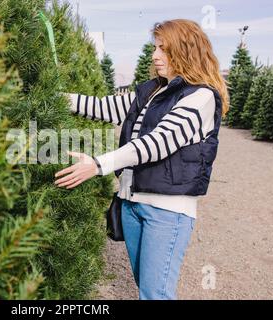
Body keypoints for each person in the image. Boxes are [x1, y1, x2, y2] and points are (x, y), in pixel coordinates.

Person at [54, 19, 229, 300]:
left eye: (164, 49)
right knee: (146, 290)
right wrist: (55, 97)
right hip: (132, 206)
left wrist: (97, 164)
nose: (155, 55)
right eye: (155, 48)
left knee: (155, 294)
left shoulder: (201, 97)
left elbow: (157, 143)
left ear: (186, 51)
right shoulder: (151, 91)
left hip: (166, 212)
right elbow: (101, 107)